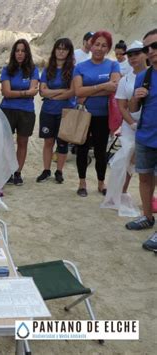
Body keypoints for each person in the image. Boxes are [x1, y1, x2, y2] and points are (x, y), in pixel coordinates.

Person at [101, 40, 147, 215]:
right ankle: (120, 193)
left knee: (144, 162)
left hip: (150, 125)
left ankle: (147, 198)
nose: (133, 58)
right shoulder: (125, 80)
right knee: (126, 158)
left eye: (137, 54)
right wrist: (133, 124)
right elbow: (121, 106)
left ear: (145, 54)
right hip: (130, 125)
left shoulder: (153, 75)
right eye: (131, 55)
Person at [72, 31, 120, 197]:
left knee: (101, 151)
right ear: (91, 45)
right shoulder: (80, 67)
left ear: (108, 48)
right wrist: (102, 87)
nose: (99, 48)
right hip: (85, 114)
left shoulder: (113, 65)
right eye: (97, 44)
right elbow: (78, 92)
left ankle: (101, 183)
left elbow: (114, 87)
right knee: (82, 149)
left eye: (104, 45)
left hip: (104, 115)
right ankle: (82, 183)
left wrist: (89, 91)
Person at [124, 28, 157, 252]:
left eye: (155, 46)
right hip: (146, 135)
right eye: (147, 48)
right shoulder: (144, 76)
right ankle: (147, 216)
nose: (151, 51)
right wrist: (136, 98)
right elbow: (133, 109)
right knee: (144, 178)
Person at [36, 38, 76, 184]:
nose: (60, 51)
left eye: (64, 49)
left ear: (69, 52)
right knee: (48, 141)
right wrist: (61, 92)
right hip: (48, 111)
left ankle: (59, 171)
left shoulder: (73, 70)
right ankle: (46, 170)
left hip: (66, 111)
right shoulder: (48, 69)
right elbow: (42, 92)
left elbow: (72, 92)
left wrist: (51, 93)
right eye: (58, 48)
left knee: (62, 143)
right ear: (54, 50)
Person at [0, 38, 39, 185]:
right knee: (6, 143)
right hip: (8, 110)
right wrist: (24, 92)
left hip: (26, 111)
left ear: (27, 53)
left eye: (23, 51)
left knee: (22, 142)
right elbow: (6, 92)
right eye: (17, 50)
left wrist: (19, 92)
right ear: (13, 53)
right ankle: (7, 171)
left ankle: (17, 172)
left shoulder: (33, 70)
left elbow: (34, 91)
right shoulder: (7, 70)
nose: (20, 53)